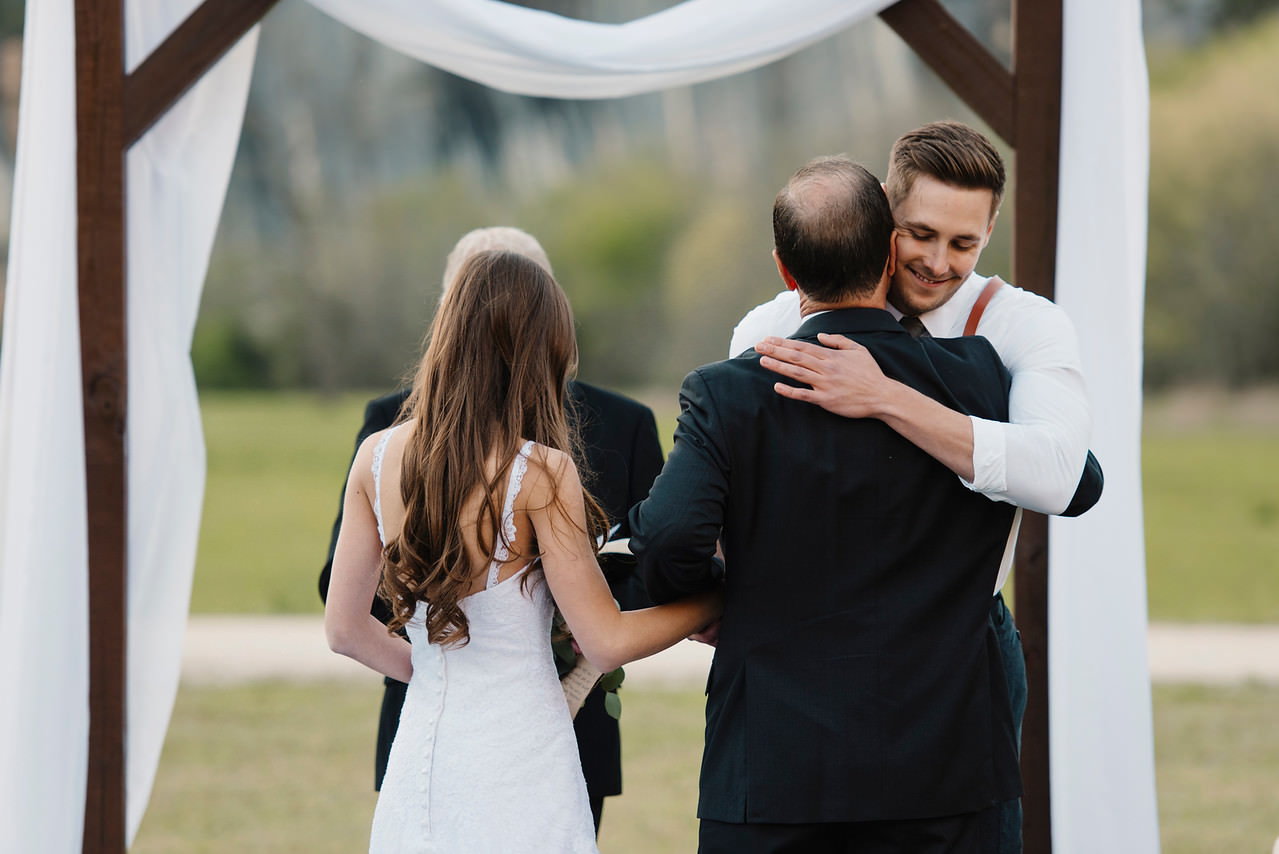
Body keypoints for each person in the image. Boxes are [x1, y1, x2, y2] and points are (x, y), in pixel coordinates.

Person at [730, 122, 1104, 853]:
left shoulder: (1027, 326)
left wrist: (884, 396)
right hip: (807, 637)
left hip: (963, 638)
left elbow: (1060, 474)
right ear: (881, 216)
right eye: (919, 234)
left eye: (963, 244)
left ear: (990, 230)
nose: (937, 264)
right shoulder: (774, 325)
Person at [631, 156, 1020, 853]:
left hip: (776, 767)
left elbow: (666, 537)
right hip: (945, 768)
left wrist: (714, 600)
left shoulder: (724, 393)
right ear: (889, 253)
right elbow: (1072, 477)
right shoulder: (980, 380)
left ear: (784, 270)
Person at [325, 250, 721, 852]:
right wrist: (714, 601)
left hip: (422, 761)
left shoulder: (375, 458)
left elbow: (345, 629)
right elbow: (606, 640)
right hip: (520, 759)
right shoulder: (539, 473)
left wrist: (435, 675)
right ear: (537, 352)